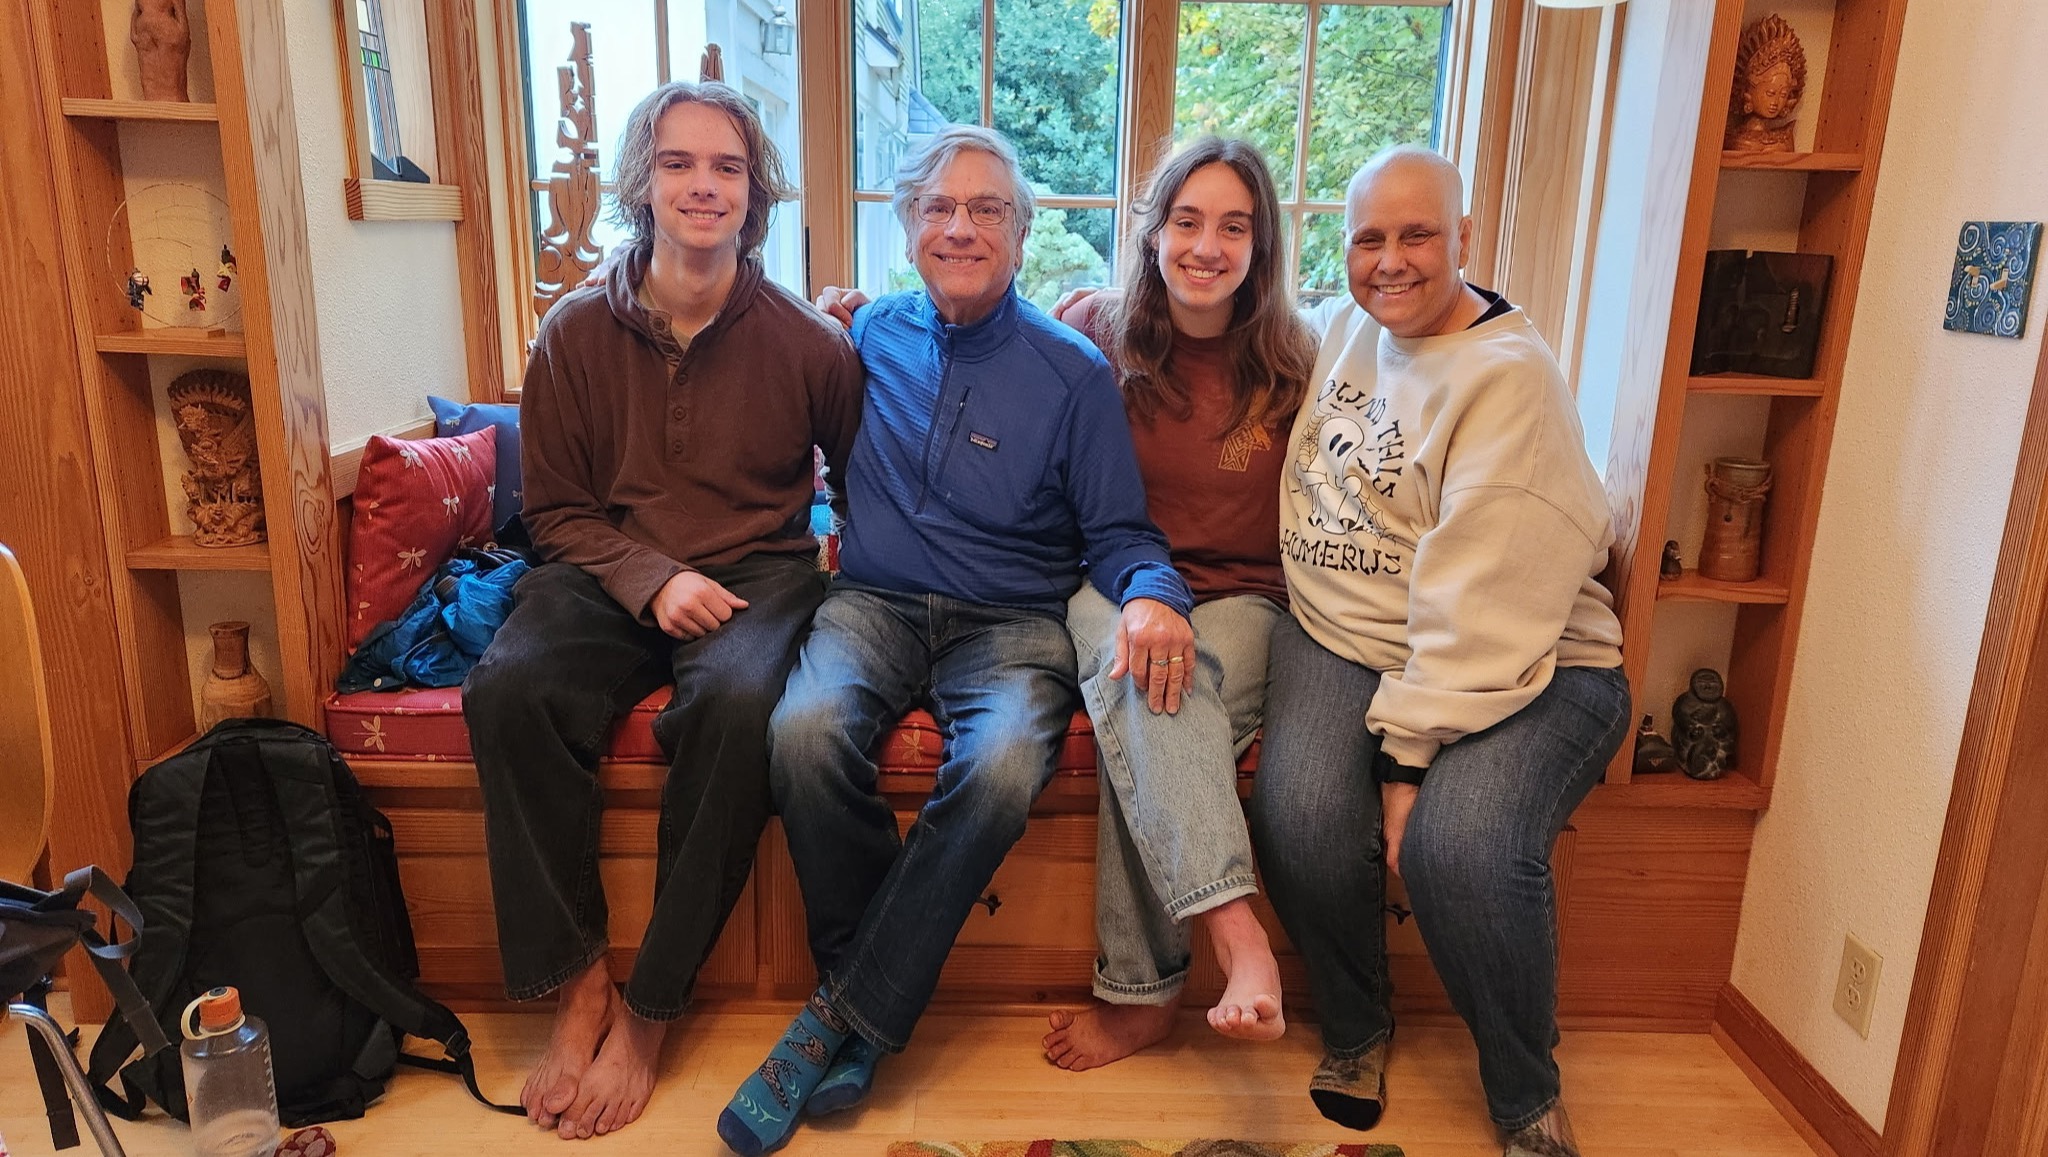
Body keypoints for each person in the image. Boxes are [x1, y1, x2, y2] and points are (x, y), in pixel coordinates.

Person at [716, 125, 1194, 1156]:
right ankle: (862, 999)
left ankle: (837, 1013)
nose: (961, 228)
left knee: (1003, 765)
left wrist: (1156, 597)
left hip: (1011, 624)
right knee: (801, 733)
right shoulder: (865, 335)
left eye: (987, 209)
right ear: (907, 228)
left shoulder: (1073, 374)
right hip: (873, 602)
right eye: (938, 207)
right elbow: (754, 354)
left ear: (1021, 233)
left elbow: (1121, 533)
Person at [461, 82, 862, 1141]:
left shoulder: (810, 343)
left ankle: (650, 1007)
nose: (702, 185)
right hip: (603, 567)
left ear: (754, 192)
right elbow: (554, 510)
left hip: (757, 575)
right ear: (642, 181)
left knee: (737, 712)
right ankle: (577, 980)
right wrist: (650, 578)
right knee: (508, 689)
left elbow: (863, 482)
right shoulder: (572, 332)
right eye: (678, 163)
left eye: (727, 167)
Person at [1249, 145, 1629, 1157]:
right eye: (1367, 238)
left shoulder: (1508, 381)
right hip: (1344, 634)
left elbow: (1481, 607)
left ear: (1463, 237)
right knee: (1298, 813)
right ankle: (1356, 1026)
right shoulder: (1347, 326)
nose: (1390, 261)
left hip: (1527, 661)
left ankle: (1524, 1096)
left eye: (1417, 235)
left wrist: (1405, 759)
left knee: (1455, 847)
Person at [1039, 137, 1314, 1070]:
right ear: (1152, 233)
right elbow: (986, 342)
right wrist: (852, 314)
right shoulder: (1092, 329)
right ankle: (1239, 936)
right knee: (1142, 670)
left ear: (1260, 245)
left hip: (1244, 595)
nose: (1207, 246)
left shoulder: (1300, 360)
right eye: (1187, 221)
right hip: (1110, 582)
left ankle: (1140, 994)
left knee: (1158, 691)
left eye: (1233, 226)